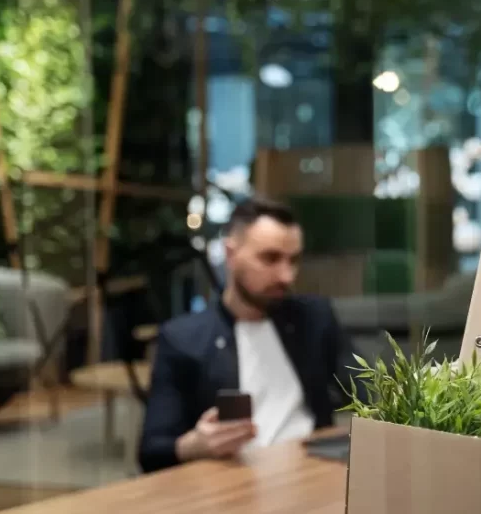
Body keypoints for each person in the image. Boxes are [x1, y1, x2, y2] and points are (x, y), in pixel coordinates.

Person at [138, 198, 364, 473]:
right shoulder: (184, 339)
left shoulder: (313, 319)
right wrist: (195, 444)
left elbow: (367, 389)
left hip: (312, 472)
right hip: (232, 484)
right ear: (231, 255)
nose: (286, 276)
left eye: (293, 260)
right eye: (270, 258)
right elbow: (151, 451)